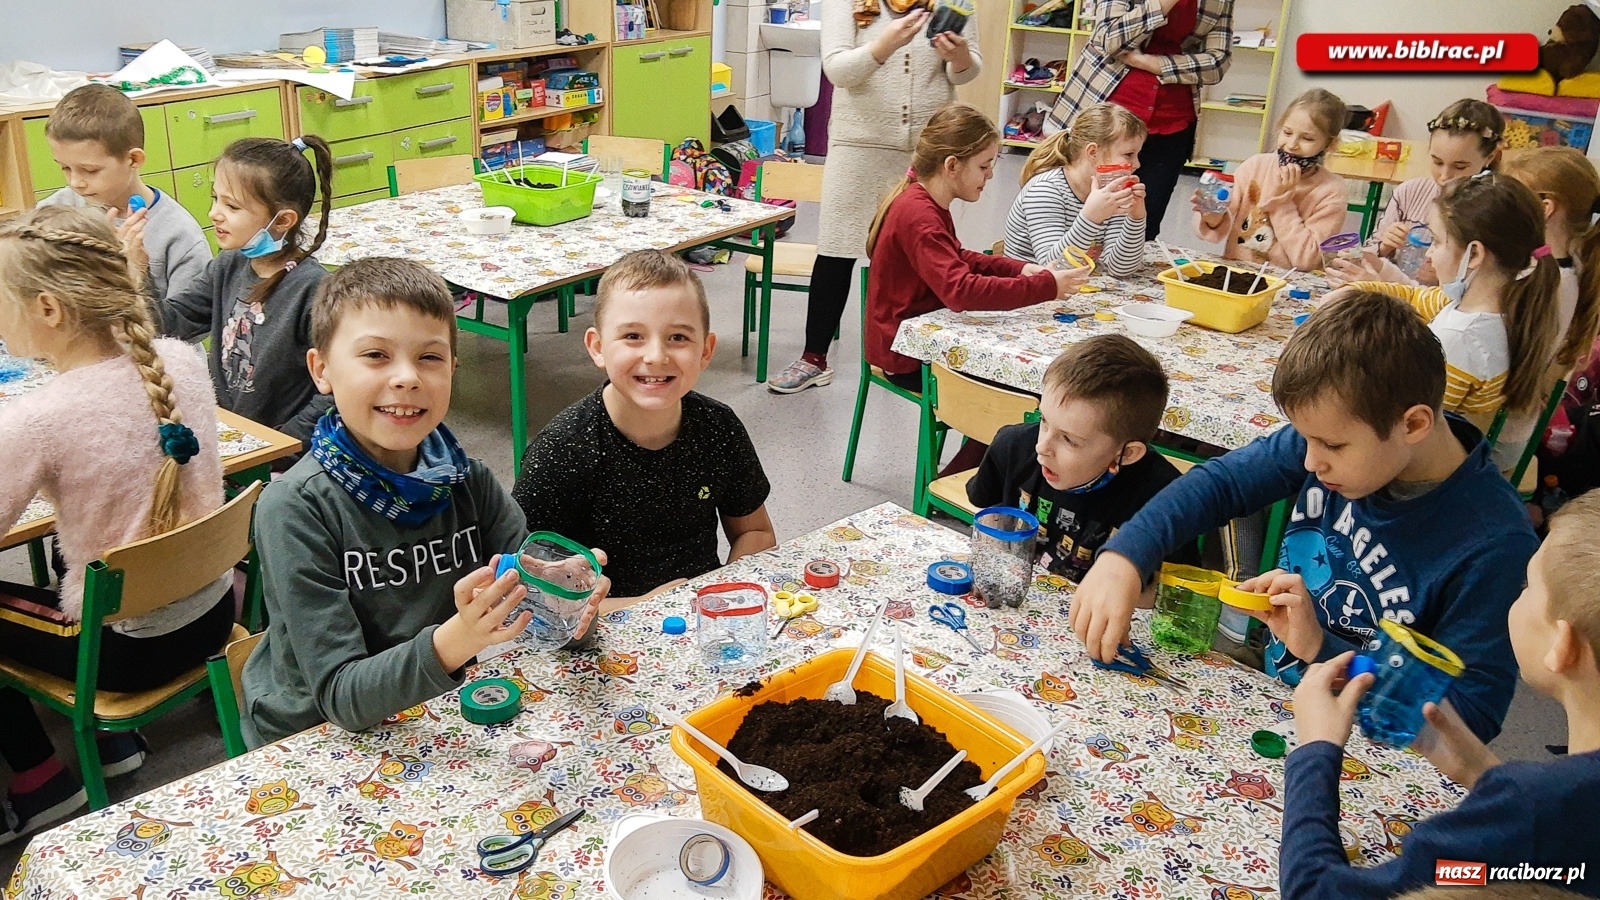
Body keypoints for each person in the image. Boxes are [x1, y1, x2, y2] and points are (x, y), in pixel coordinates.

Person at [1068, 290, 1537, 743]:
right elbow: (1220, 484)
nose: (1310, 462)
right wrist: (1124, 558)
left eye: (1332, 446)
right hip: (1280, 707)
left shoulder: (1493, 542)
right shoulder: (1334, 436)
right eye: (1303, 438)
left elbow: (1471, 720)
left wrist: (1320, 650)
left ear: (1413, 424)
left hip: (1374, 757)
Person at [239, 258, 610, 748]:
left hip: (438, 707)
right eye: (375, 355)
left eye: (430, 358)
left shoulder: (468, 481)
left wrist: (570, 602)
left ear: (454, 369)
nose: (407, 378)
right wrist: (463, 637)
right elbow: (340, 697)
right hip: (317, 735)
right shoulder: (296, 509)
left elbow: (535, 610)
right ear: (322, 369)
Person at [0, 207, 231, 841]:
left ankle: (41, 780)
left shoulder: (38, 417)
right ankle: (112, 745)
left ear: (49, 309)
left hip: (125, 653)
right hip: (211, 614)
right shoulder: (180, 359)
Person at [1279, 491, 1600, 899]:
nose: (1518, 594)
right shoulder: (1552, 807)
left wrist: (1316, 751)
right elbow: (1558, 870)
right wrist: (1485, 774)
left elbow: (1318, 892)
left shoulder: (1533, 809)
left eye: (1527, 584)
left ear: (1563, 645)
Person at [512, 250, 775, 601]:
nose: (656, 356)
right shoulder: (562, 451)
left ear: (706, 350)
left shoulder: (718, 427)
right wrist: (647, 608)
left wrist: (717, 593)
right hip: (594, 640)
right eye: (633, 336)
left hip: (701, 621)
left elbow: (755, 531)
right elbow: (526, 590)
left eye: (678, 337)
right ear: (598, 347)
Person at [767, 0, 982, 394]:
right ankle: (813, 357)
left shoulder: (952, 2)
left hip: (926, 149)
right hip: (859, 144)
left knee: (924, 255)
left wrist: (960, 55)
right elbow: (837, 70)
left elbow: (966, 72)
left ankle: (919, 355)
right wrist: (885, 44)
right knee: (836, 251)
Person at [866, 104, 1088, 395]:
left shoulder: (923, 201)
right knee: (1032, 387)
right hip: (908, 356)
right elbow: (961, 291)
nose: (991, 176)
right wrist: (1044, 287)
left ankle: (985, 438)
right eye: (984, 166)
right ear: (952, 166)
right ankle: (989, 438)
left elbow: (954, 256)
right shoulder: (919, 214)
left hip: (914, 341)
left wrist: (1017, 268)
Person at [1349, 173, 1563, 470]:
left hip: (1420, 475)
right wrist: (1357, 292)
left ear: (1474, 254)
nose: (1429, 254)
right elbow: (1418, 298)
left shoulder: (1460, 338)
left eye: (1436, 242)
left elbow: (1414, 434)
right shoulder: (1495, 306)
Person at [967, 335, 1199, 583]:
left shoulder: (1167, 499)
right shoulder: (1013, 447)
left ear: (1127, 454)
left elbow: (1174, 590)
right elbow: (988, 518)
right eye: (1044, 421)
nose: (1042, 447)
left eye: (1069, 440)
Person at [155, 135, 335, 447]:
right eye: (215, 199)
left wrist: (281, 446)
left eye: (231, 205)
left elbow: (333, 393)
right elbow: (170, 323)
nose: (214, 213)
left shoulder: (312, 290)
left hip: (280, 453)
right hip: (234, 437)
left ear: (282, 221)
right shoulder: (228, 265)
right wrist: (131, 272)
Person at [1046, 0, 1235, 239]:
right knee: (1075, 213)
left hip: (1172, 123)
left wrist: (1152, 63)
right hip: (1106, 118)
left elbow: (1218, 63)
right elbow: (1111, 39)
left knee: (1143, 224)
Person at [39, 84, 210, 301]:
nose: (75, 182)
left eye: (90, 170)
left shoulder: (178, 235)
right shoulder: (54, 211)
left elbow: (186, 326)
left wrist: (132, 272)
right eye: (65, 168)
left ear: (133, 159)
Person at [1192, 88, 1349, 272]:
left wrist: (1282, 203)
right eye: (1287, 133)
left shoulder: (1331, 191)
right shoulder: (1255, 166)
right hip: (1238, 274)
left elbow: (1307, 260)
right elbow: (1218, 225)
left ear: (1330, 144)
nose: (1292, 145)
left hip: (1288, 285)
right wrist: (1212, 217)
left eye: (1307, 138)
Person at [1003, 103, 1150, 278]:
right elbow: (1053, 269)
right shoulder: (1045, 189)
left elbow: (1120, 269)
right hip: (1030, 290)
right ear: (1093, 152)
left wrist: (1136, 217)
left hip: (1076, 288)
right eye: (1128, 155)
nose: (1137, 164)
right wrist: (1091, 217)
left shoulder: (1111, 190)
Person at [1371, 99, 1504, 283]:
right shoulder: (1409, 192)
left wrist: (1446, 279)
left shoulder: (1494, 210)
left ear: (1489, 157)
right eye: (1437, 162)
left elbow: (1494, 283)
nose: (1444, 176)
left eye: (1460, 166)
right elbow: (1369, 255)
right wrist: (1384, 246)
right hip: (1396, 292)